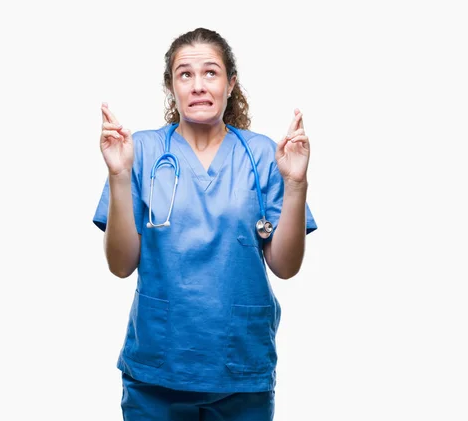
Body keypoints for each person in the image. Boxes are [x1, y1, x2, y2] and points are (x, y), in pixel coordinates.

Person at [93, 27, 317, 420]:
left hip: (240, 369)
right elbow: (120, 265)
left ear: (231, 84)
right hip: (158, 369)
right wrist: (118, 175)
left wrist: (295, 183)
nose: (198, 85)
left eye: (211, 73)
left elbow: (286, 267)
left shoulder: (263, 154)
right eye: (185, 74)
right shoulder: (140, 151)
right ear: (171, 86)